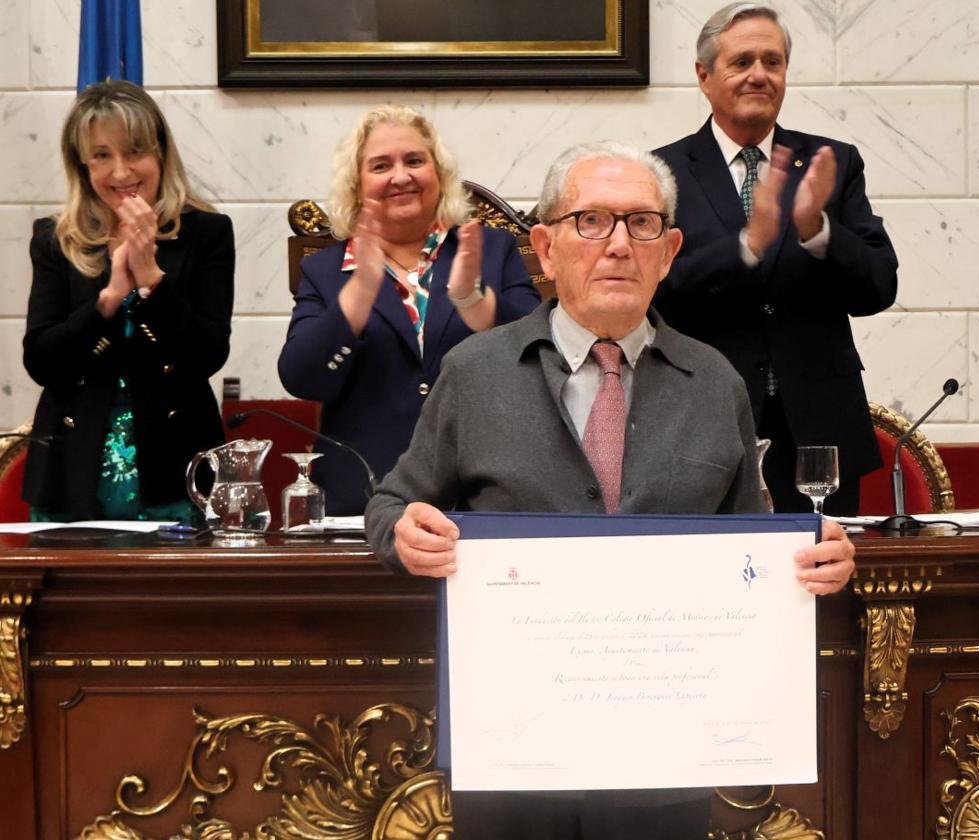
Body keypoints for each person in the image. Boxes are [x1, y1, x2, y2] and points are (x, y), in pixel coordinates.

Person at [365, 141, 855, 840]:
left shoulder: (715, 382)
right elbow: (388, 506)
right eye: (591, 221)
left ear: (669, 249)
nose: (619, 245)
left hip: (663, 764)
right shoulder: (475, 373)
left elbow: (756, 541)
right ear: (545, 244)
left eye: (642, 224)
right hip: (514, 759)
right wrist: (404, 533)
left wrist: (814, 557)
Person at [653, 3, 898, 516]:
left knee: (821, 588)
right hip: (702, 424)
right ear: (704, 75)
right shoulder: (663, 171)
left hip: (816, 431)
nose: (759, 75)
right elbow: (655, 292)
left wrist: (818, 230)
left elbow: (878, 288)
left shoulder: (834, 162)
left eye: (773, 61)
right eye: (741, 62)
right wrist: (747, 245)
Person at [278, 105, 541, 515]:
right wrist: (357, 298)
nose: (401, 176)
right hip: (365, 501)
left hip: (483, 497)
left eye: (415, 161)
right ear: (356, 184)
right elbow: (302, 379)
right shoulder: (325, 270)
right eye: (381, 165)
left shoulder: (490, 250)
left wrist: (478, 306)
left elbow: (543, 360)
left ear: (439, 174)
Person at [22, 80, 233, 522]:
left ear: (160, 153)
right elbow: (42, 362)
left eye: (134, 150)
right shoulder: (55, 238)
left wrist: (152, 280)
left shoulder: (206, 233)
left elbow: (208, 355)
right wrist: (111, 297)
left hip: (176, 464)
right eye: (101, 155)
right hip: (73, 465)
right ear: (82, 164)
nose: (120, 172)